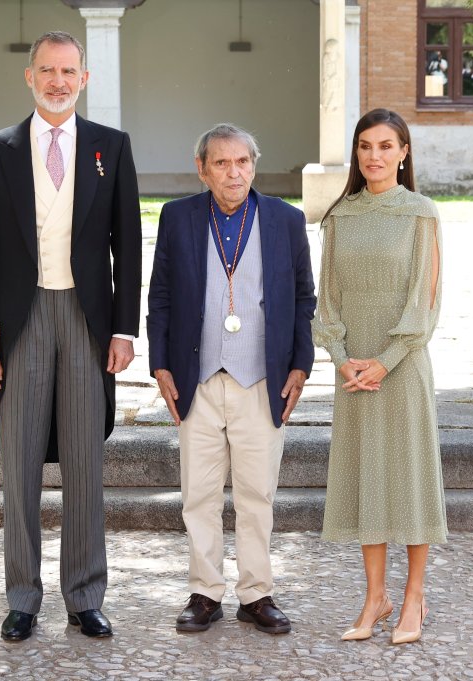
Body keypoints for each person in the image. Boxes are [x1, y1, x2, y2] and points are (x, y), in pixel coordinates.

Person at [0, 31, 142, 642]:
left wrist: (123, 327)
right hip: (23, 317)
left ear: (83, 79)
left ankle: (85, 596)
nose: (58, 80)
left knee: (86, 460)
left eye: (69, 70)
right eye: (47, 70)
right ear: (29, 77)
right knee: (19, 460)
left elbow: (128, 244)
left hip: (89, 320)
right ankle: (22, 598)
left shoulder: (110, 148)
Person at [147, 124, 316, 635]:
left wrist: (301, 366)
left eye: (242, 161)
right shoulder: (178, 217)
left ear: (254, 166)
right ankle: (204, 592)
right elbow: (160, 297)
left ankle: (256, 594)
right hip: (196, 376)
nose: (234, 172)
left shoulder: (286, 220)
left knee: (256, 492)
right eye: (221, 163)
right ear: (202, 169)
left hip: (261, 378)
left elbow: (304, 299)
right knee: (198, 492)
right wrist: (161, 365)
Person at [312, 108, 446, 645]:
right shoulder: (340, 216)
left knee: (409, 477)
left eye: (386, 146)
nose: (374, 156)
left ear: (404, 152)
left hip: (403, 368)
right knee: (368, 478)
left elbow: (425, 303)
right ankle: (375, 596)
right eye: (365, 146)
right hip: (353, 373)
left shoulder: (421, 214)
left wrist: (385, 362)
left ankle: (413, 595)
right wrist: (343, 358)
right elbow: (328, 300)